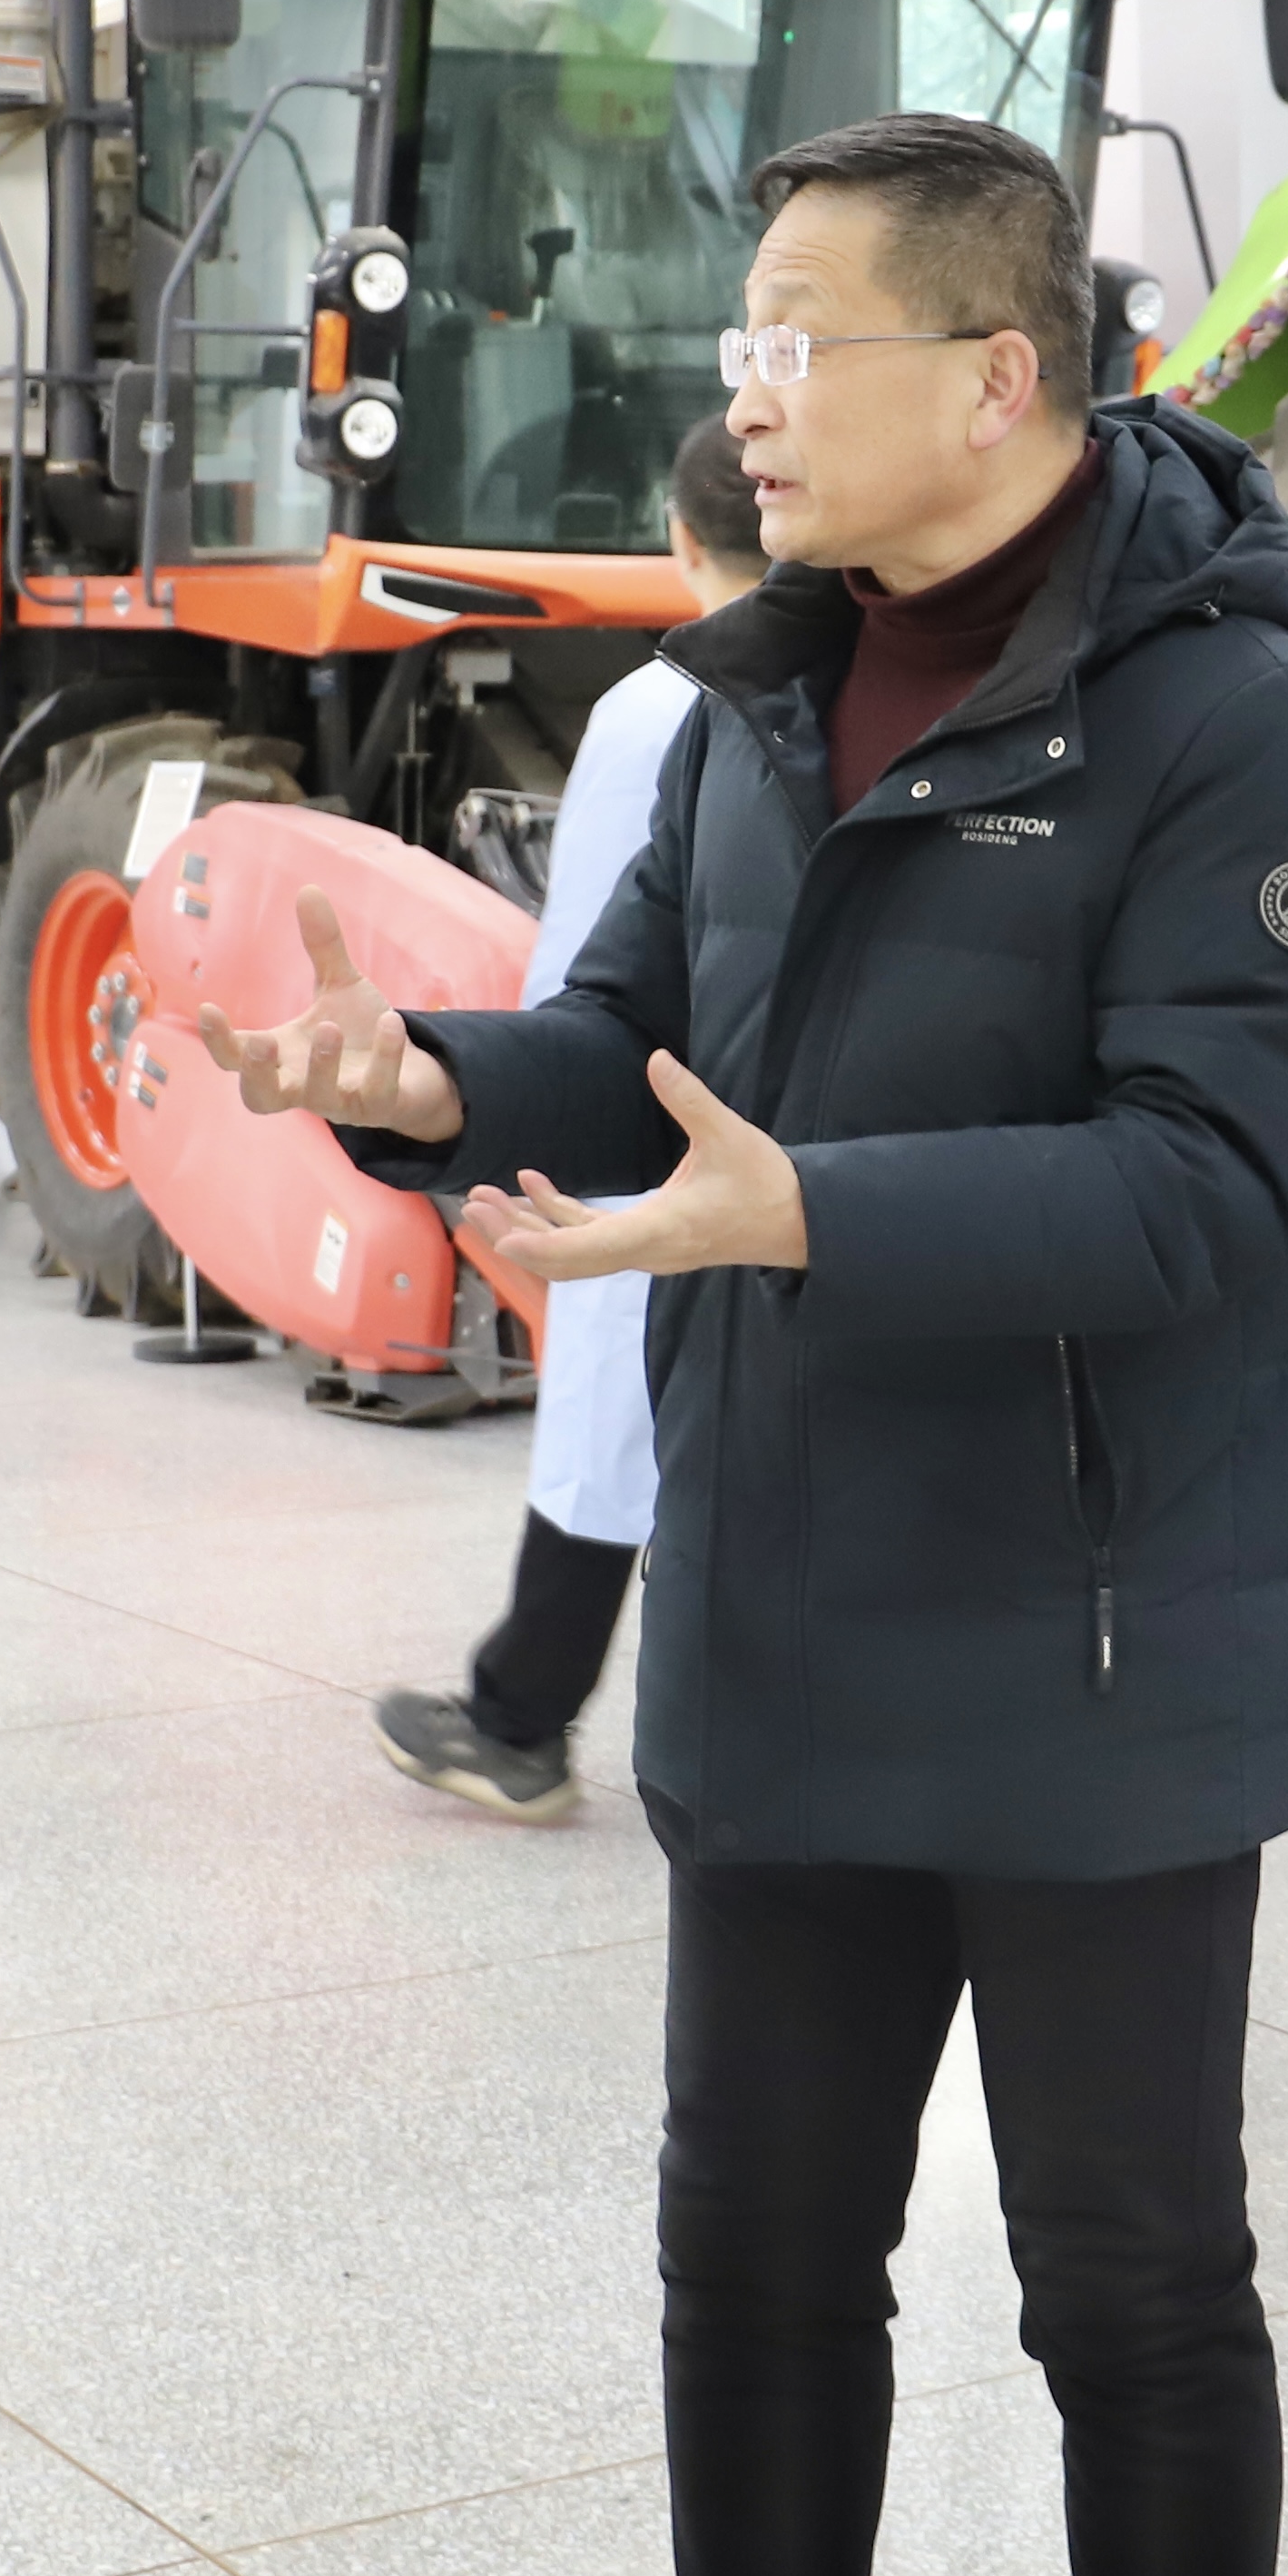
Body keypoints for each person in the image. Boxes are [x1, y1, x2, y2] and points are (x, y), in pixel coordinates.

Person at [196, 110, 1288, 2576]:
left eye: (797, 344)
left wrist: (810, 1211)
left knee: (1134, 2295)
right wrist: (423, 1080)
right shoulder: (762, 690)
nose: (743, 396)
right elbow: (632, 1037)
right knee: (751, 2267)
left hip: (1088, 1670)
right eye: (741, 342)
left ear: (996, 377)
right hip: (775, 1626)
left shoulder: (1235, 721)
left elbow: (1218, 1187)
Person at [373, 411, 766, 1821]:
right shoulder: (853, 684)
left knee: (609, 1409)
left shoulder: (657, 707)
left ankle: (519, 1721)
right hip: (793, 1140)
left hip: (649, 1126)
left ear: (677, 538)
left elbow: (588, 962)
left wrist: (512, 1113)